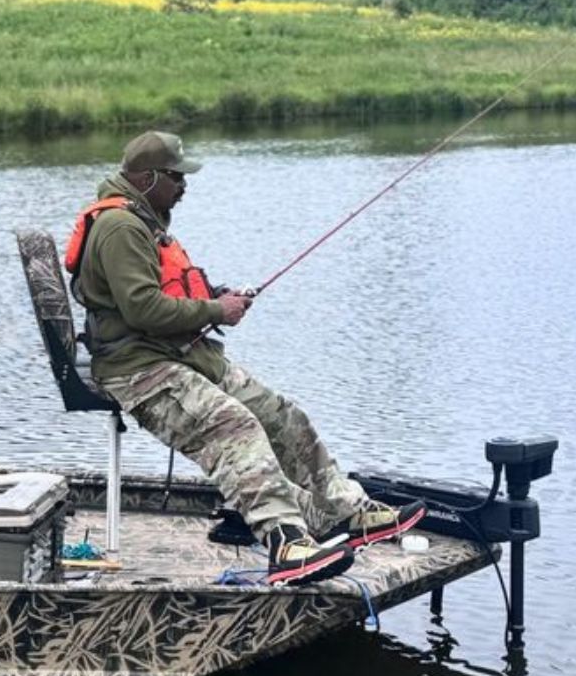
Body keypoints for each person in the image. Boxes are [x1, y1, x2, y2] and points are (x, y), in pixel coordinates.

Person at [64, 130, 424, 584]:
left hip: (179, 355)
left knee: (282, 416)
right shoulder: (121, 228)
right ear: (148, 177)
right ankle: (286, 543)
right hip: (140, 371)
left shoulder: (142, 220)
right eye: (176, 176)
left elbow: (161, 296)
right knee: (236, 428)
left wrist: (215, 298)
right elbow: (143, 308)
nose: (184, 185)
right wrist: (218, 310)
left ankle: (348, 513)